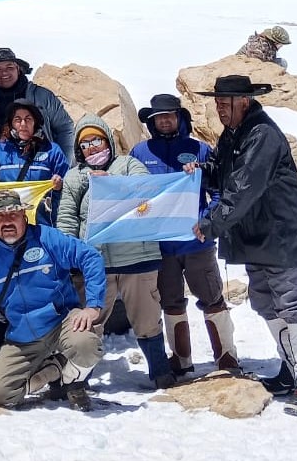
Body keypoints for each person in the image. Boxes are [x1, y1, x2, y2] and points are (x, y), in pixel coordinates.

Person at [188, 74, 297, 416]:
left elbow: (243, 189)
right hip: (256, 237)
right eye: (217, 103)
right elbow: (223, 172)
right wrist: (200, 171)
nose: (219, 109)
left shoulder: (262, 134)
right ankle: (291, 369)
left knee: (292, 304)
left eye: (225, 103)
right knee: (266, 303)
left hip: (281, 236)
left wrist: (211, 224)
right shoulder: (234, 133)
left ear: (244, 102)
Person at [56, 115, 175, 390]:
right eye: (84, 144)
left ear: (107, 139)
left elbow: (146, 193)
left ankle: (160, 372)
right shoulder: (75, 176)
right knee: (89, 323)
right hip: (95, 263)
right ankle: (78, 378)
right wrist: (69, 256)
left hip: (138, 258)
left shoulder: (129, 165)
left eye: (96, 140)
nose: (92, 148)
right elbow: (67, 217)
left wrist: (110, 183)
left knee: (147, 321)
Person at [0, 189, 106, 411]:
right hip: (23, 336)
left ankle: (74, 382)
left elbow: (90, 257)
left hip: (61, 322)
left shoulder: (47, 238)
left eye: (13, 215)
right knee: (2, 394)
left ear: (23, 216)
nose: (7, 221)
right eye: (0, 216)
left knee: (87, 346)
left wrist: (93, 306)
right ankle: (56, 369)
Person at [129, 94, 239, 374]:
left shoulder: (200, 149)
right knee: (171, 302)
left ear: (180, 117)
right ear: (151, 122)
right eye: (158, 117)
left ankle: (226, 356)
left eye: (170, 115)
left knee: (212, 297)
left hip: (196, 242)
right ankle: (181, 359)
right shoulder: (140, 153)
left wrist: (206, 223)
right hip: (160, 247)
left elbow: (217, 192)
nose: (164, 121)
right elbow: (131, 195)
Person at [0, 47, 76, 177]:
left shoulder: (42, 96)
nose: (4, 73)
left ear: (18, 69)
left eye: (9, 67)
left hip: (37, 176)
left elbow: (65, 128)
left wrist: (63, 166)